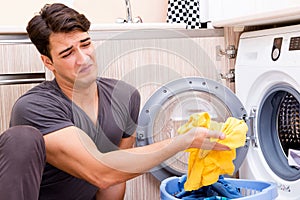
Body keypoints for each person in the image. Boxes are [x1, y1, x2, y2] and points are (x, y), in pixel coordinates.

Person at [0, 3, 230, 200]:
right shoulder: (35, 107)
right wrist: (183, 141)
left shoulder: (125, 96)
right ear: (48, 62)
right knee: (21, 137)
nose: (83, 59)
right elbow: (101, 171)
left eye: (86, 44)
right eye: (67, 53)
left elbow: (114, 178)